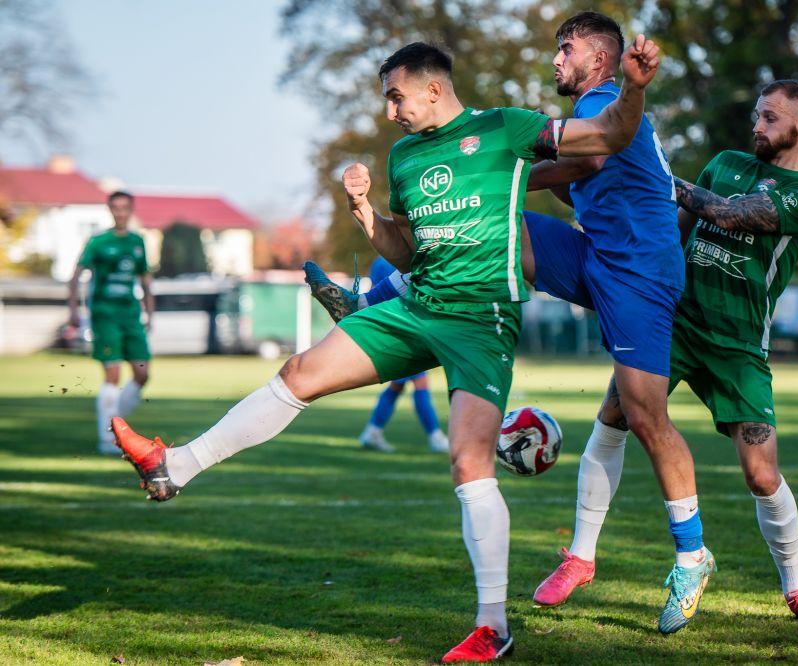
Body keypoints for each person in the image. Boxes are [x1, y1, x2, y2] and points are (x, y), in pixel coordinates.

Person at [111, 38, 662, 663]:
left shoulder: (504, 129)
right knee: (300, 372)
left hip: (481, 321)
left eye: (396, 97)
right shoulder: (402, 158)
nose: (391, 111)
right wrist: (364, 211)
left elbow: (610, 135)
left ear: (433, 88)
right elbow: (407, 254)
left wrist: (636, 87)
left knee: (468, 465)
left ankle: (493, 626)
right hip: (417, 307)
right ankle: (173, 466)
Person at [305, 12, 712, 635]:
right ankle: (373, 298)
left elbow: (588, 165)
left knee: (643, 414)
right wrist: (498, 182)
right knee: (499, 234)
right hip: (595, 252)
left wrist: (498, 175)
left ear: (599, 59)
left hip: (638, 271)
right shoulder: (596, 101)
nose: (556, 60)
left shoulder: (606, 97)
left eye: (566, 49)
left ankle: (692, 553)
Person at [556, 79, 798, 625]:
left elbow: (728, 214)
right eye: (756, 116)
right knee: (614, 418)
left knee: (762, 476)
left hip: (740, 348)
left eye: (769, 118)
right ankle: (580, 555)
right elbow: (676, 231)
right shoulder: (725, 163)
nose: (757, 126)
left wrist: (657, 178)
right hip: (677, 325)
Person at [67, 190, 153, 454]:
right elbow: (76, 276)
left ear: (131, 209)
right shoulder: (98, 242)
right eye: (115, 207)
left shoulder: (138, 242)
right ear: (110, 210)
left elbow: (145, 281)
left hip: (131, 316)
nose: (120, 212)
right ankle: (109, 439)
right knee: (113, 374)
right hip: (105, 315)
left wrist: (150, 312)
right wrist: (73, 308)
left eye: (125, 207)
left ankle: (115, 420)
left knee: (142, 373)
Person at [356, 257, 449, 453]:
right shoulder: (410, 255)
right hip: (405, 328)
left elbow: (374, 296)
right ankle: (435, 436)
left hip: (390, 328)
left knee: (398, 385)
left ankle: (373, 431)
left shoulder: (379, 262)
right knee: (419, 382)